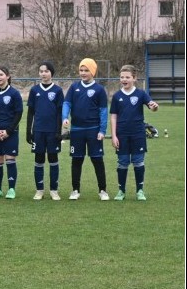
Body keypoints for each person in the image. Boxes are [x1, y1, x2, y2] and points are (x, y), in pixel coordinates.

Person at [62, 58, 110, 201]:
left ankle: (103, 190)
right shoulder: (74, 87)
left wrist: (102, 130)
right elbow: (67, 103)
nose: (83, 73)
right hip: (77, 130)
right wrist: (65, 117)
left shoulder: (99, 90)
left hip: (93, 130)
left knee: (97, 160)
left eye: (86, 70)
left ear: (93, 71)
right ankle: (75, 190)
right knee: (77, 160)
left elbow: (103, 111)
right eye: (81, 70)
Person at [109, 64, 159, 201]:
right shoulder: (117, 96)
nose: (124, 79)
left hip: (138, 134)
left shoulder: (141, 94)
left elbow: (152, 106)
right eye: (122, 77)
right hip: (122, 135)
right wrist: (114, 136)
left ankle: (140, 191)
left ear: (134, 78)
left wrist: (155, 107)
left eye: (127, 77)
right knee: (122, 162)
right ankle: (121, 191)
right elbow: (113, 117)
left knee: (138, 162)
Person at [26, 61, 64, 200]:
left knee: (53, 159)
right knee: (39, 159)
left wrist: (59, 131)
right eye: (41, 71)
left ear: (51, 73)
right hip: (38, 131)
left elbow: (60, 113)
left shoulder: (57, 90)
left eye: (46, 71)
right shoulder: (34, 90)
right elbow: (30, 112)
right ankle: (39, 190)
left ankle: (54, 190)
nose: (43, 74)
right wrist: (28, 131)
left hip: (52, 132)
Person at [0, 66, 23, 199]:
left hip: (10, 132)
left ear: (7, 76)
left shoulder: (14, 93)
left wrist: (8, 131)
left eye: (1, 74)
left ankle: (11, 189)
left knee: (10, 158)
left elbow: (18, 113)